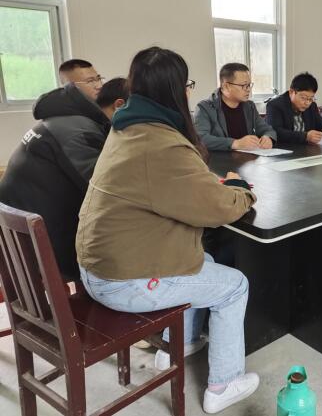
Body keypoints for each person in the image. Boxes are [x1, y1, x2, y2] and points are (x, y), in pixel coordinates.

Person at [75, 47, 259, 414]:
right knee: (235, 285)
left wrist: (206, 185)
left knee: (204, 259)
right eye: (187, 85)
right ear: (177, 90)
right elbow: (217, 209)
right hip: (124, 280)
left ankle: (180, 345)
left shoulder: (126, 128)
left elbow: (166, 186)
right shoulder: (161, 141)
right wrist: (242, 191)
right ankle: (224, 384)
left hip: (100, 265)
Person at [0, 78, 122, 279]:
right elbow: (102, 190)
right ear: (120, 105)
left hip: (19, 238)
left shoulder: (62, 120)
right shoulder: (79, 131)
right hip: (41, 246)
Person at [195, 62, 277, 151]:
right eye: (244, 85)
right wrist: (235, 143)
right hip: (220, 159)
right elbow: (201, 138)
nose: (248, 90)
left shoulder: (249, 106)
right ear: (226, 86)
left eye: (249, 85)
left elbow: (268, 130)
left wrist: (268, 138)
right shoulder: (204, 108)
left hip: (249, 158)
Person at [266, 72, 322, 144]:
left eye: (311, 98)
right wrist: (305, 136)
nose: (307, 103)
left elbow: (321, 126)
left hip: (306, 149)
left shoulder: (312, 106)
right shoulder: (275, 105)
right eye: (303, 98)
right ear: (291, 92)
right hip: (283, 150)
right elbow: (276, 132)